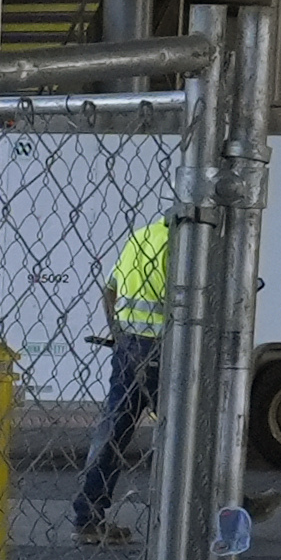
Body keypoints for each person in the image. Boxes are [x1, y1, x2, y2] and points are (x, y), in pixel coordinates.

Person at [70, 206, 177, 539]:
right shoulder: (185, 244)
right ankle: (222, 508)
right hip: (165, 349)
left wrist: (118, 333)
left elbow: (110, 289)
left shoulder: (142, 236)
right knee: (191, 430)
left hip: (129, 348)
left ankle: (88, 515)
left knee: (114, 428)